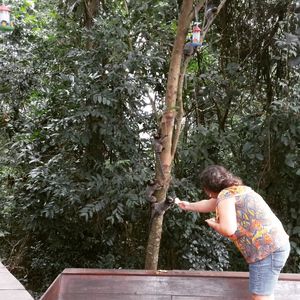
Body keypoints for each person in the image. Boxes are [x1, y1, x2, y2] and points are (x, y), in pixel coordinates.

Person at [176, 165, 290, 300]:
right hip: (276, 246)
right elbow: (210, 204)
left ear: (208, 188)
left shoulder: (225, 196)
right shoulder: (237, 191)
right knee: (265, 294)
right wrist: (188, 205)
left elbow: (229, 229)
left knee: (260, 296)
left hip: (266, 251)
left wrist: (214, 224)